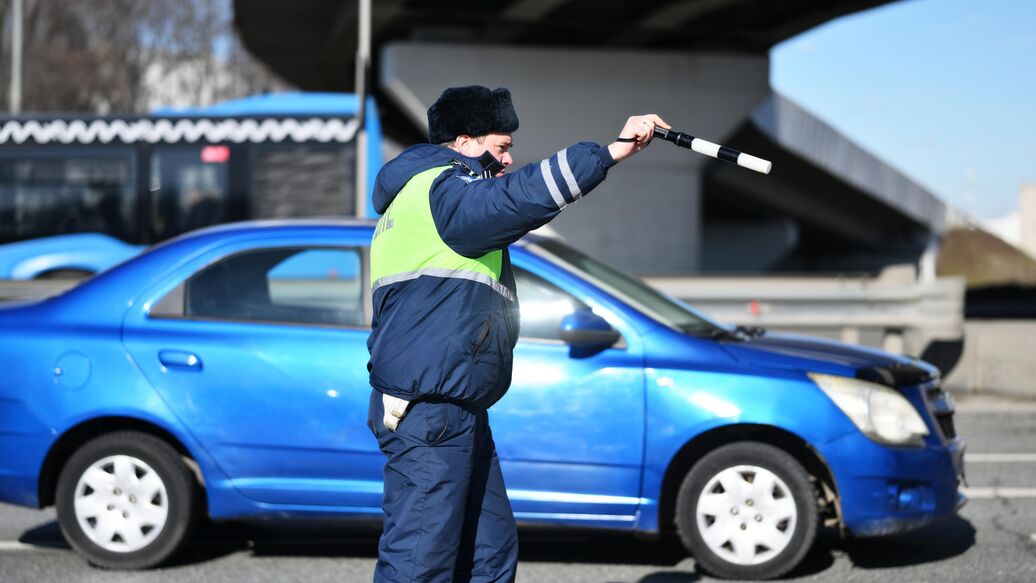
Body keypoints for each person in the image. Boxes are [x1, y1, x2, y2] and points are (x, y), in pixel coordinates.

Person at [366, 85, 668, 583]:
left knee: (488, 552)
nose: (507, 160)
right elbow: (520, 197)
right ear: (463, 143)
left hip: (453, 408)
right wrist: (612, 151)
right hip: (431, 410)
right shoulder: (443, 190)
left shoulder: (422, 195)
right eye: (501, 148)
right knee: (421, 562)